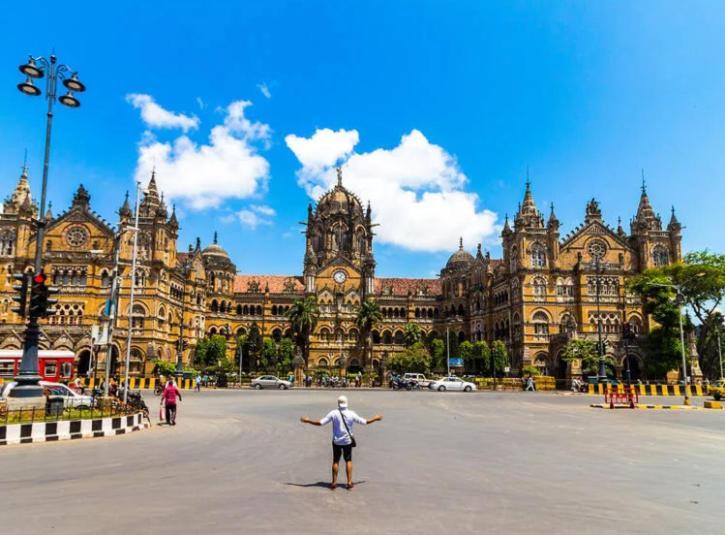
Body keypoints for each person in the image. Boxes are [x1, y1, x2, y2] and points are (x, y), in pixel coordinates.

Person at [300, 395, 383, 490]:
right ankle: (349, 482)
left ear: (338, 403)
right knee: (348, 460)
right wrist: (375, 418)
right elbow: (364, 422)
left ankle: (334, 483)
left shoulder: (333, 413)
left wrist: (308, 421)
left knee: (336, 461)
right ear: (347, 403)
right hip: (347, 441)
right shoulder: (351, 413)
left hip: (336, 441)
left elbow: (320, 423)